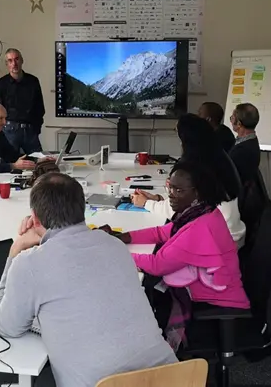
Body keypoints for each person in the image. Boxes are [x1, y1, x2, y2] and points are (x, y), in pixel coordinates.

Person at [0, 172, 177, 387]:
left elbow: (6, 326)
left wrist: (15, 252)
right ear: (82, 208)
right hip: (175, 377)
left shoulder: (29, 264)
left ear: (34, 218)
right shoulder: (114, 245)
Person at [104, 162, 250, 349]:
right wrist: (123, 237)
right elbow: (162, 232)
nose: (170, 195)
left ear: (197, 193)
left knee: (142, 289)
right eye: (170, 188)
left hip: (214, 298)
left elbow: (157, 265)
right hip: (210, 286)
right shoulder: (203, 211)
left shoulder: (199, 227)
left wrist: (111, 248)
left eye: (179, 190)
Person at [132, 113, 245, 247]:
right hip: (232, 235)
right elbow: (191, 203)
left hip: (216, 243)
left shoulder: (192, 169)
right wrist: (157, 198)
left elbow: (176, 211)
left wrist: (146, 204)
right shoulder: (218, 157)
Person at [0, 48, 45, 153]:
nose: (14, 63)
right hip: (9, 131)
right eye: (10, 60)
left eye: (16, 59)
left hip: (30, 131)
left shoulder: (33, 81)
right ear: (7, 64)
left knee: (40, 163)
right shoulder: (1, 84)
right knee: (11, 165)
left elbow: (40, 107)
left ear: (22, 60)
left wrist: (36, 129)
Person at [229, 102, 262, 187]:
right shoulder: (250, 140)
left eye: (232, 118)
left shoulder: (242, 150)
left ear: (239, 124)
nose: (231, 120)